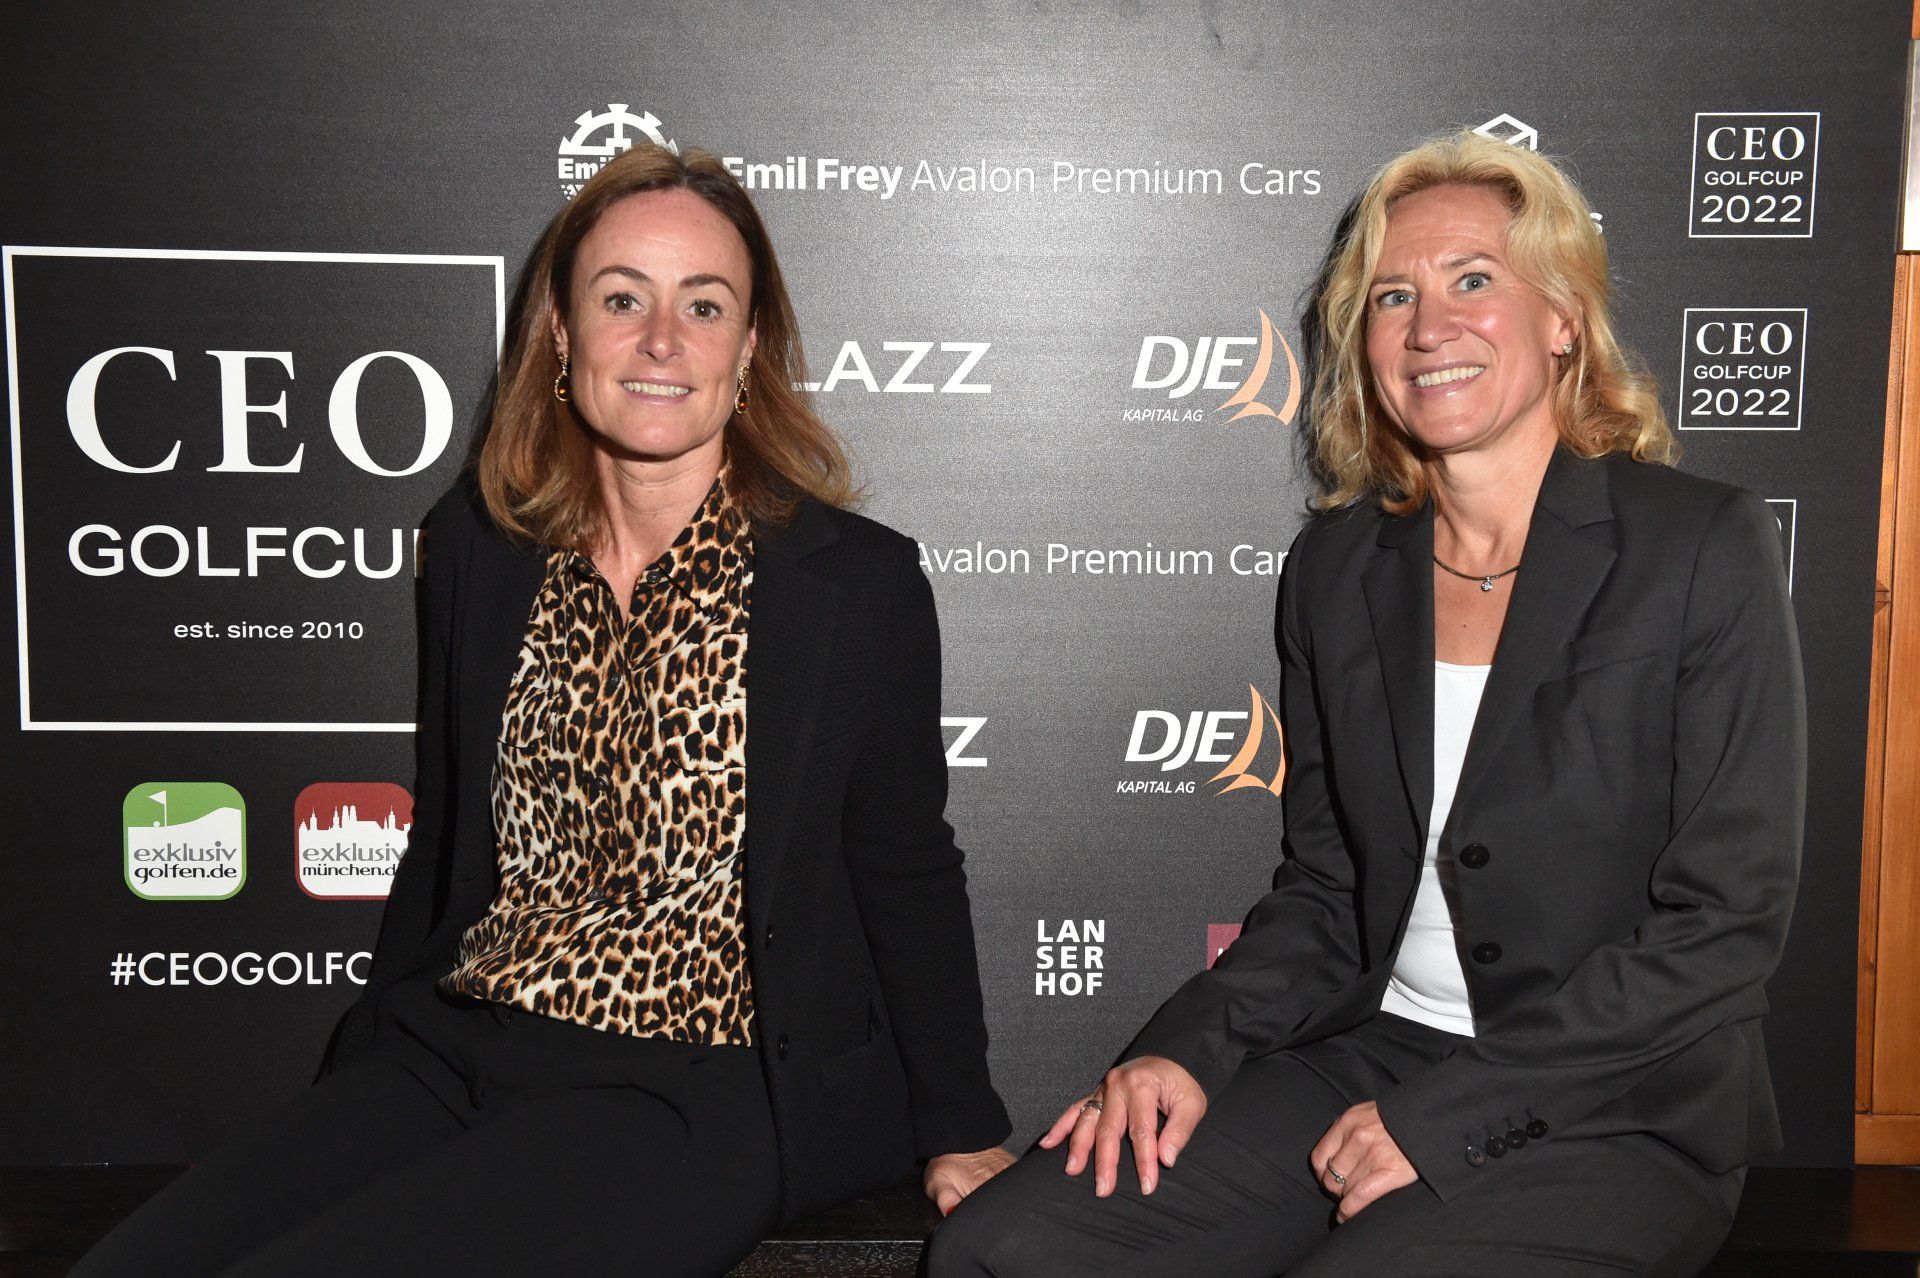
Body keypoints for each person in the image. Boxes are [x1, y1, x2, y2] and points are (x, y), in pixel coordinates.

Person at [74, 142, 1013, 1278]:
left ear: (749, 345)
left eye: (703, 305)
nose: (661, 340)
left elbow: (904, 861)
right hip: (462, 1042)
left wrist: (961, 1123)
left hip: (699, 1084)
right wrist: (373, 1049)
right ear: (562, 333)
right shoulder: (479, 548)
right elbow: (445, 830)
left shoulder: (851, 584)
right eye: (622, 299)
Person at [930, 131, 1804, 1277]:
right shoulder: (1339, 568)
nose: (1430, 326)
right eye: (1394, 296)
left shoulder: (1698, 545)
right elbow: (1331, 888)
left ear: (1563, 319)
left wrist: (1448, 1118)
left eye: (1473, 281)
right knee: (1003, 1248)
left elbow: (1723, 925)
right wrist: (1186, 1049)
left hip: (1615, 1104)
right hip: (1371, 1054)